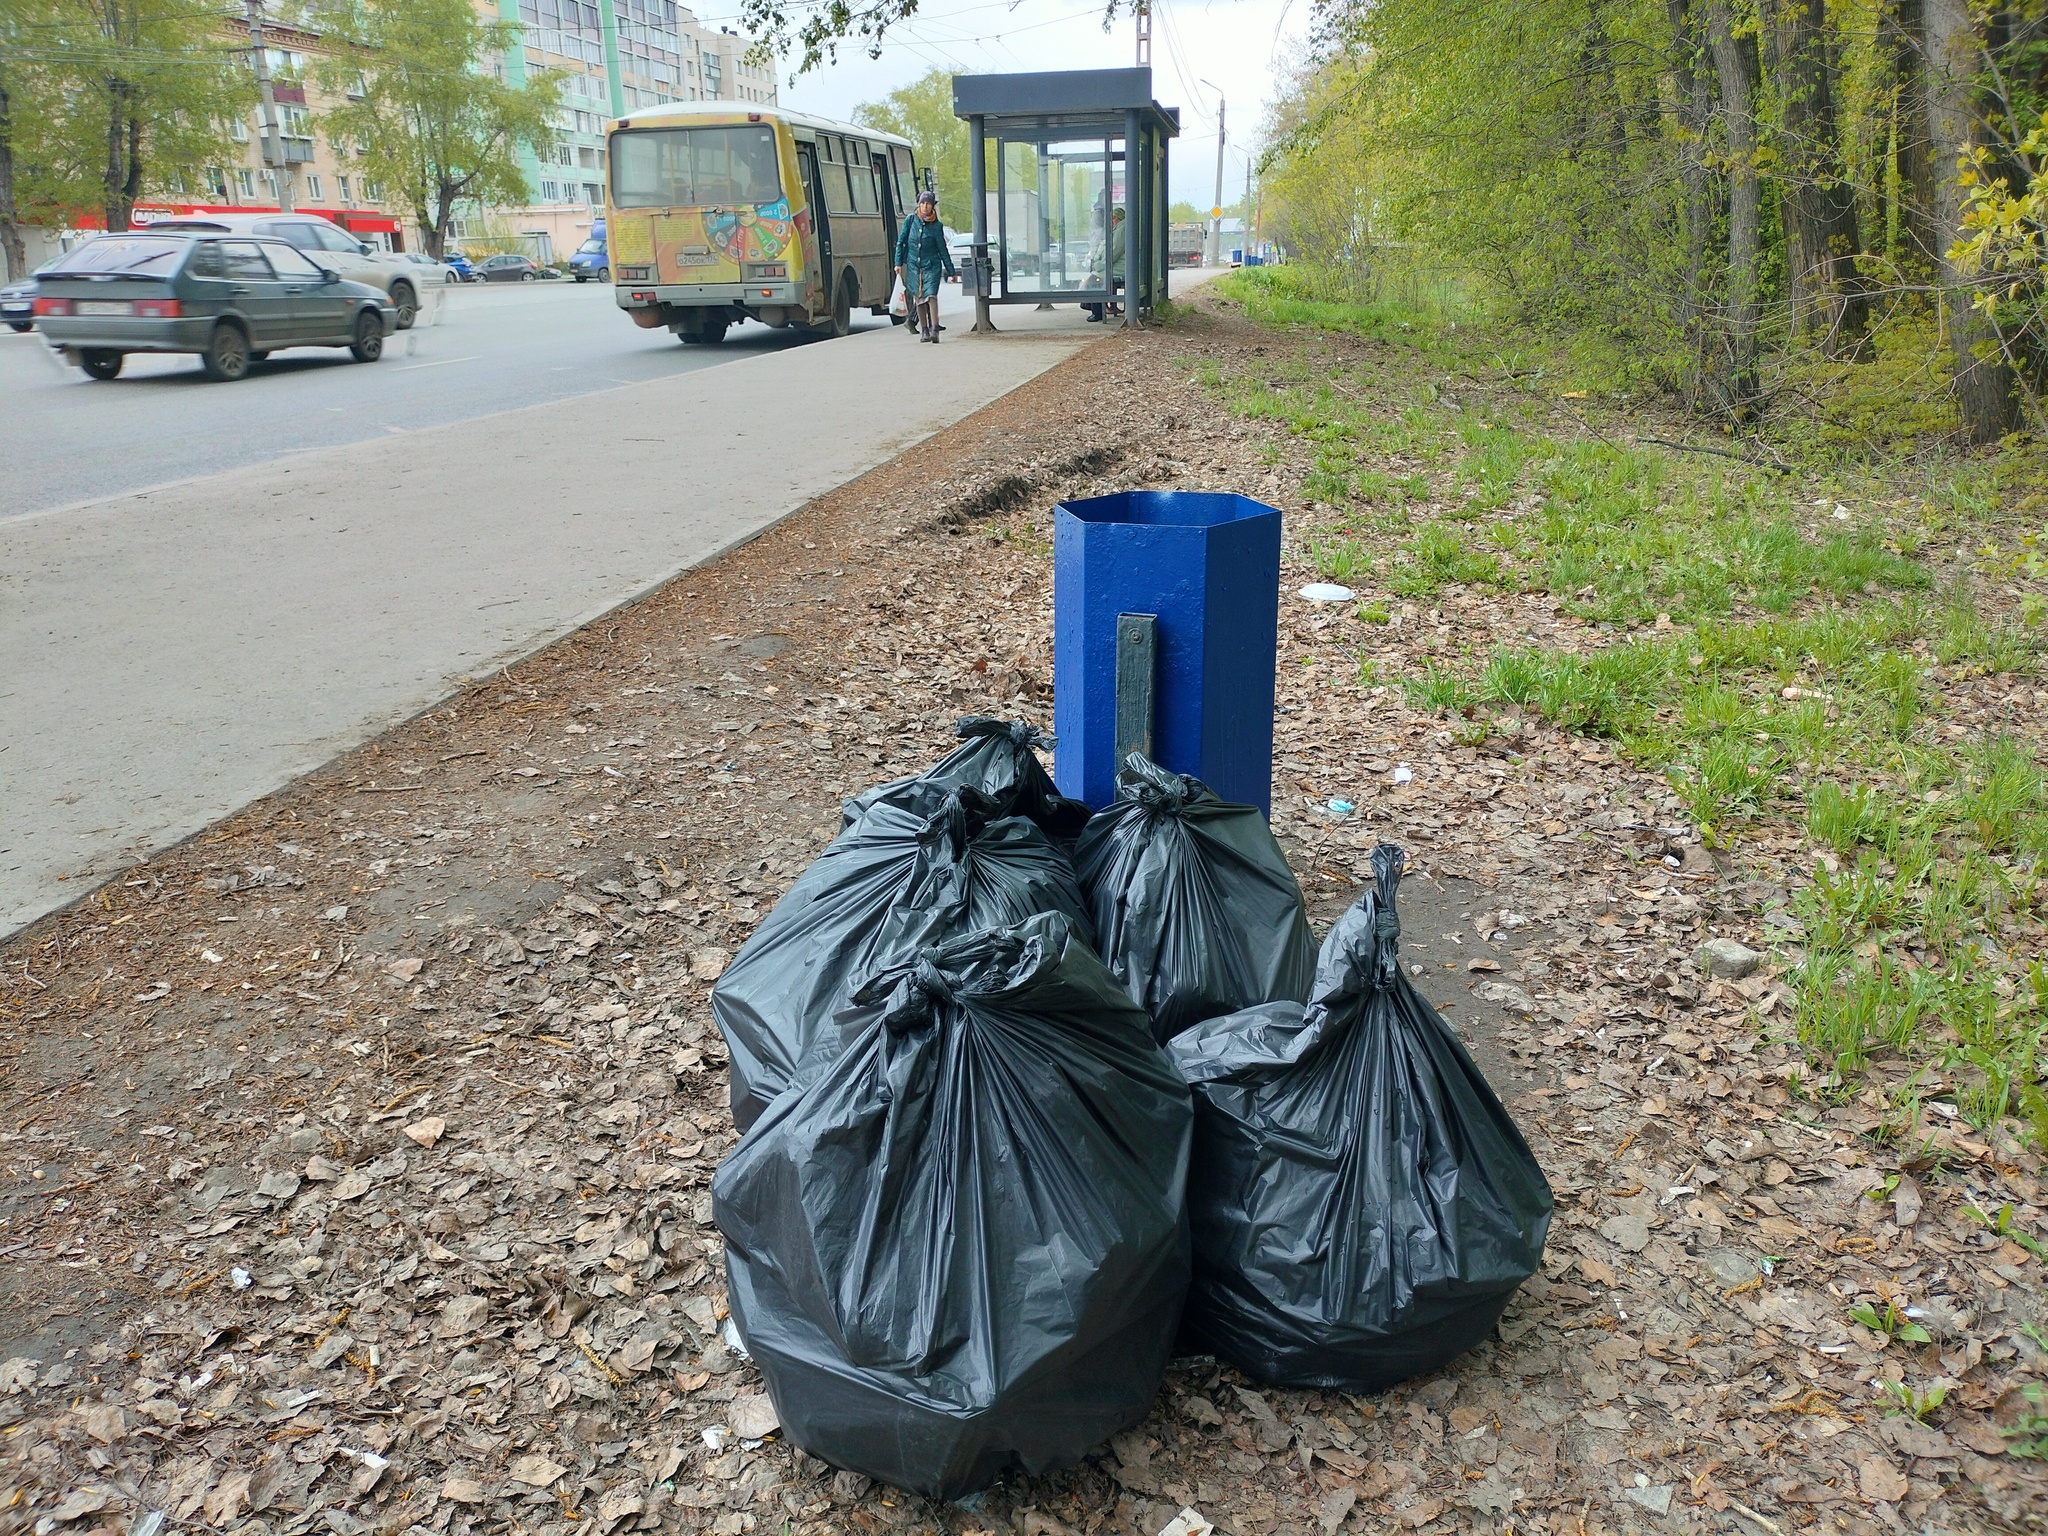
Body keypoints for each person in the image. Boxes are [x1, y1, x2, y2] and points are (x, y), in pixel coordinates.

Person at [894, 189, 955, 342]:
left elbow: (942, 249)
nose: (925, 206)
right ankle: (924, 330)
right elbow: (901, 243)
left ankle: (935, 329)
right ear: (919, 205)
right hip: (914, 266)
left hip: (932, 265)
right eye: (922, 203)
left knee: (931, 296)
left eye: (928, 203)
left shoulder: (936, 226)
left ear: (932, 206)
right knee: (919, 299)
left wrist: (951, 269)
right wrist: (898, 263)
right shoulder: (910, 220)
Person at [1085, 205, 1126, 322]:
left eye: (1114, 218)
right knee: (1093, 278)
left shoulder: (1121, 230)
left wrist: (1098, 265)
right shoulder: (1116, 230)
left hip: (1119, 268)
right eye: (1110, 218)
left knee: (1094, 280)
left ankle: (1097, 313)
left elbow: (1113, 252)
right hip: (1115, 267)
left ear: (1120, 218)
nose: (1111, 221)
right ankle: (1094, 308)